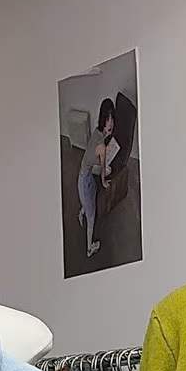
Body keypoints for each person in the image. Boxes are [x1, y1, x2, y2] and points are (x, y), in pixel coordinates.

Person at [78, 97, 118, 261]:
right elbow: (102, 170)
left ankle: (82, 210)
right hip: (85, 181)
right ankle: (89, 248)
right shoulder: (102, 146)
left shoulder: (96, 132)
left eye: (112, 118)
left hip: (83, 176)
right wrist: (104, 181)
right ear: (103, 118)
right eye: (107, 119)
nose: (110, 123)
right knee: (92, 217)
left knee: (90, 199)